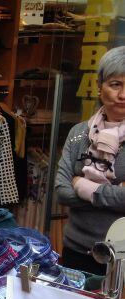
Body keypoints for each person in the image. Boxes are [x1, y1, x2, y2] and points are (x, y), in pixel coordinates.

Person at [56, 46, 125, 275]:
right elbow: (61, 192)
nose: (122, 95)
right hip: (76, 250)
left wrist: (81, 185)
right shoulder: (79, 134)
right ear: (99, 87)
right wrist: (114, 194)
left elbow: (71, 189)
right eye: (115, 84)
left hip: (121, 258)